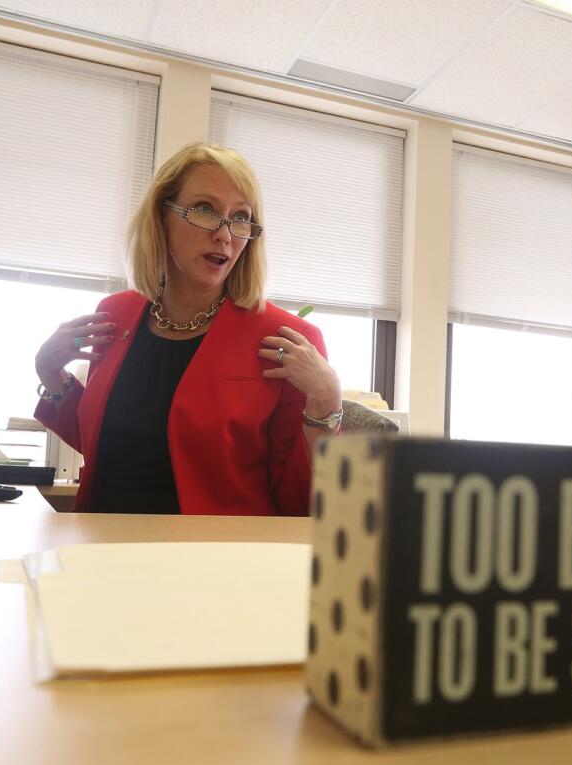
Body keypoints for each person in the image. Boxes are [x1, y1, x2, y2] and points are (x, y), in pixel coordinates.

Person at [33, 143, 342, 515]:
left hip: (214, 561)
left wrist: (326, 404)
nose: (225, 234)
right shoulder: (116, 314)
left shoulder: (284, 339)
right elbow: (116, 445)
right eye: (204, 210)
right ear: (162, 216)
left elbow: (301, 506)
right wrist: (52, 377)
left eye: (240, 217)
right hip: (101, 548)